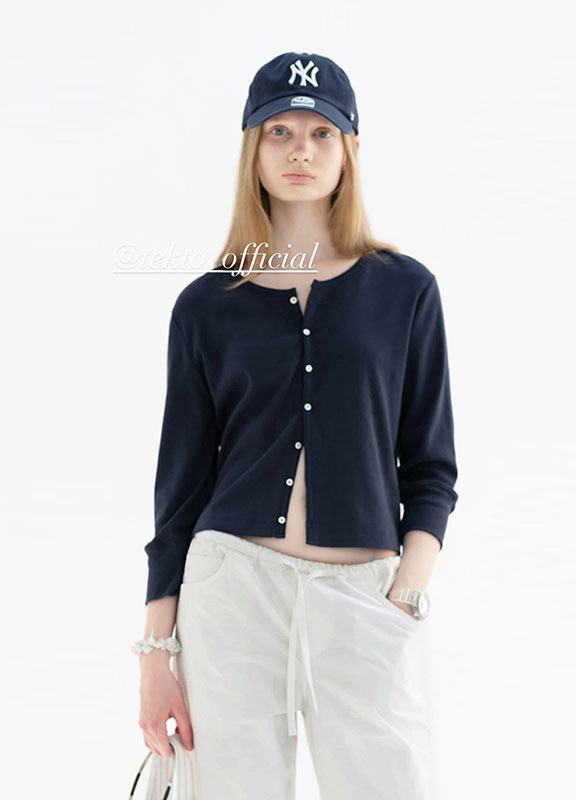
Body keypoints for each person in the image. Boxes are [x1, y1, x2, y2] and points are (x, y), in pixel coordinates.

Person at [134, 51, 459, 799]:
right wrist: (155, 653)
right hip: (232, 592)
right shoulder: (206, 306)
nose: (300, 151)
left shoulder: (406, 290)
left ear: (349, 149)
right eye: (279, 131)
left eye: (321, 133)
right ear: (253, 147)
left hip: (367, 596)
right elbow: (178, 495)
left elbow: (432, 467)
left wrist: (406, 592)